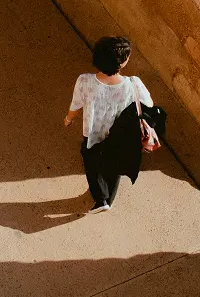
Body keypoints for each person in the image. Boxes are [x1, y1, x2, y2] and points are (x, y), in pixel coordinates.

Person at [63, 36, 154, 212]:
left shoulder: (85, 81)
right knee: (114, 165)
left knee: (91, 159)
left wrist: (68, 119)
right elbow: (148, 104)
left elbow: (76, 104)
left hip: (93, 133)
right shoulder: (133, 84)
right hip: (120, 135)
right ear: (122, 63)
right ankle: (108, 200)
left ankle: (101, 199)